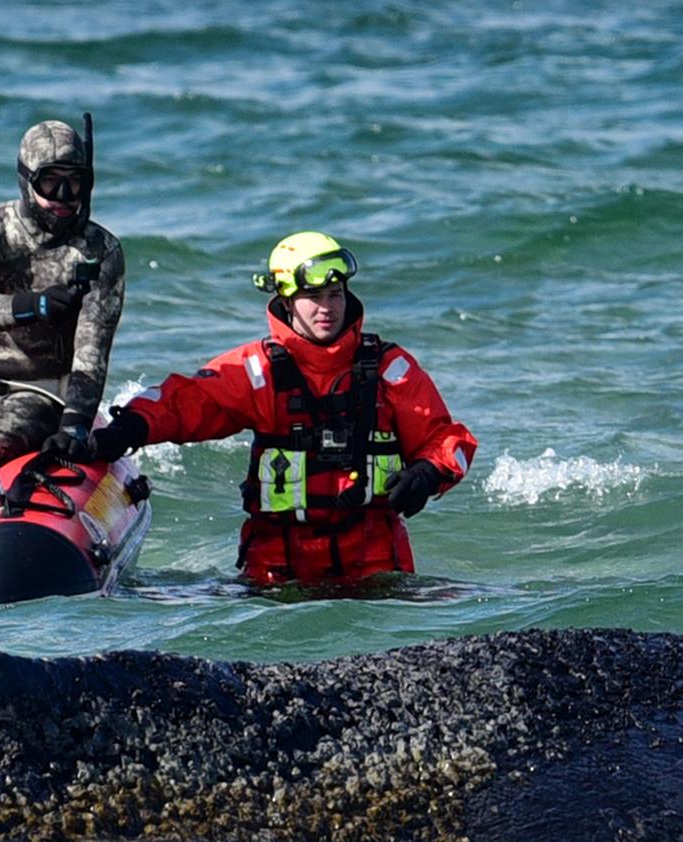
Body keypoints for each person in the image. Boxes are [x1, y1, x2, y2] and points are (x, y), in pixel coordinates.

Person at [91, 231, 477, 587]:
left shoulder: (390, 370)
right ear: (287, 300)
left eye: (336, 294)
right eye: (314, 297)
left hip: (377, 573)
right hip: (276, 577)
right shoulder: (257, 372)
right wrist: (129, 428)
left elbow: (447, 440)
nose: (327, 308)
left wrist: (427, 473)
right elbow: (186, 403)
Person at [0, 114, 125, 463]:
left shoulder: (99, 250)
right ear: (27, 181)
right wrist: (29, 306)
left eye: (74, 181)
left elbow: (92, 348)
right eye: (50, 182)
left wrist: (75, 425)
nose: (64, 196)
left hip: (38, 395)